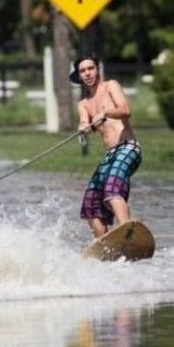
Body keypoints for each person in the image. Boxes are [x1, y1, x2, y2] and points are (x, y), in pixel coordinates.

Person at [71, 54, 142, 238]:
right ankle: (105, 243)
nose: (87, 73)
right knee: (90, 202)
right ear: (79, 76)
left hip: (128, 148)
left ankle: (128, 232)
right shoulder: (84, 104)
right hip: (110, 155)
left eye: (90, 68)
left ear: (97, 69)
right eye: (83, 71)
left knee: (112, 189)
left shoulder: (111, 86)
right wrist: (83, 130)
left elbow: (126, 111)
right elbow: (85, 123)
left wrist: (106, 112)